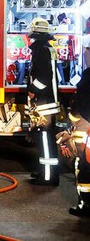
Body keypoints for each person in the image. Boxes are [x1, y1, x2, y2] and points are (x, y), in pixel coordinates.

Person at [26, 17, 60, 186]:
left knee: (45, 139)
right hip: (48, 101)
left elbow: (45, 76)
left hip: (44, 102)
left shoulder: (40, 50)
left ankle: (48, 177)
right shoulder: (47, 48)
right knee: (46, 139)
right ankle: (45, 172)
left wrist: (33, 90)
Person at [57, 67, 90, 217]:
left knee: (84, 169)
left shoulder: (87, 80)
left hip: (84, 132)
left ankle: (86, 205)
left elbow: (76, 113)